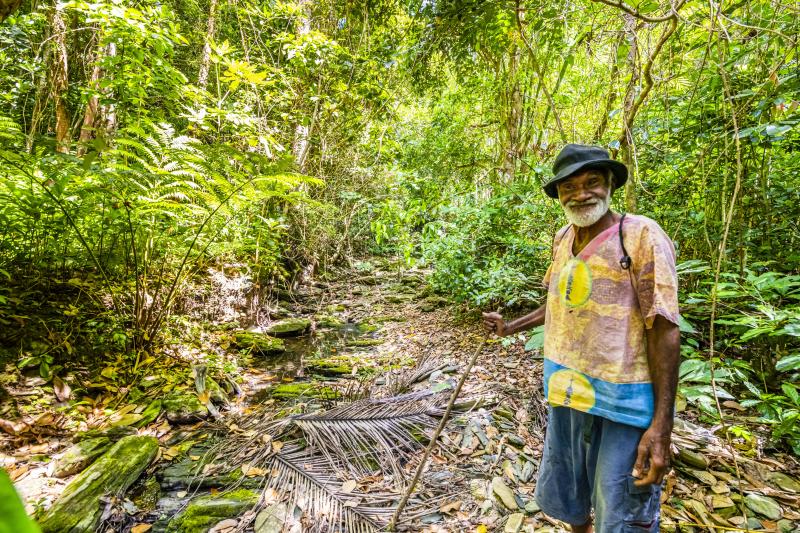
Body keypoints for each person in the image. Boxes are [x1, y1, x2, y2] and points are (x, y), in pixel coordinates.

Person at [483, 144, 680, 533]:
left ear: (609, 185)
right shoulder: (563, 237)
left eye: (591, 182)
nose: (580, 194)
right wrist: (511, 327)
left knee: (621, 506)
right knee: (571, 496)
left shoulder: (640, 235)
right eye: (568, 187)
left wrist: (661, 426)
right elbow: (557, 301)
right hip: (567, 388)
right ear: (558, 194)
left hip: (624, 399)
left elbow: (665, 328)